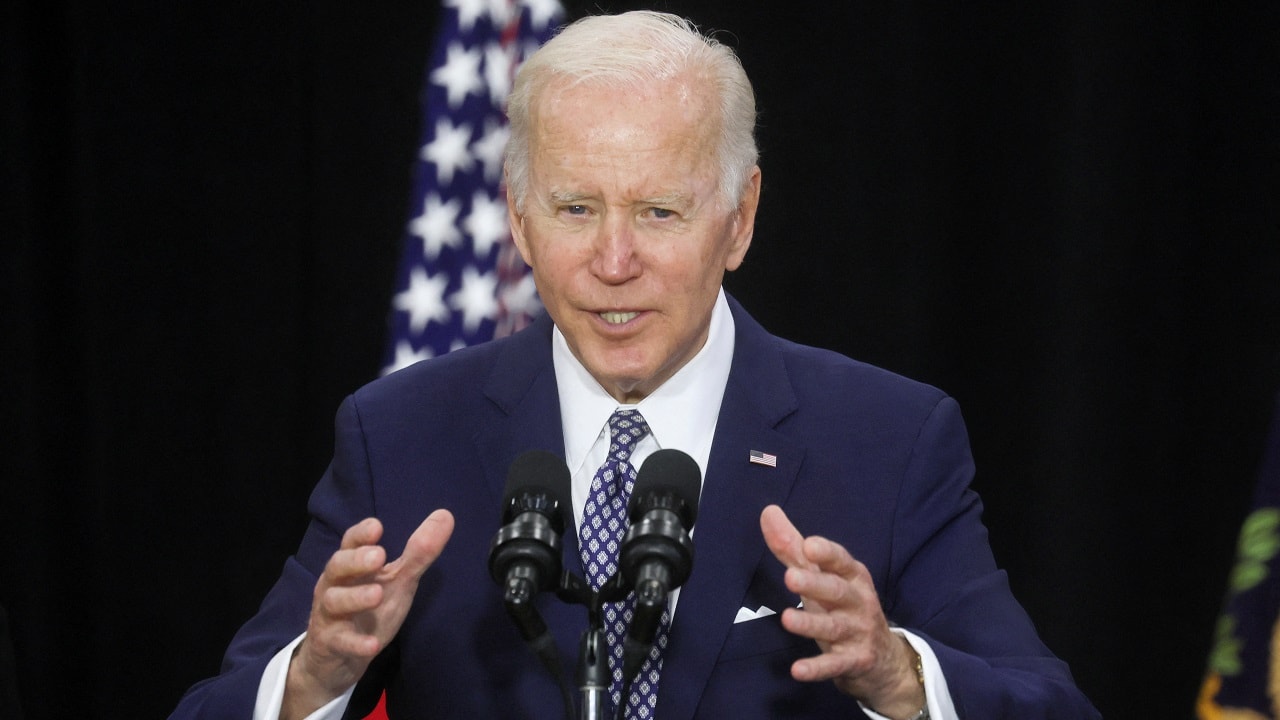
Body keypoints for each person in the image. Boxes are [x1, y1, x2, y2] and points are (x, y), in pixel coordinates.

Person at [170, 10, 1099, 720]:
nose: (615, 262)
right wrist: (312, 678)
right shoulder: (402, 435)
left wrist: (898, 675)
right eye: (576, 210)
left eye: (660, 212)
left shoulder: (887, 441)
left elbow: (1052, 705)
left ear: (739, 219)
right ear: (520, 219)